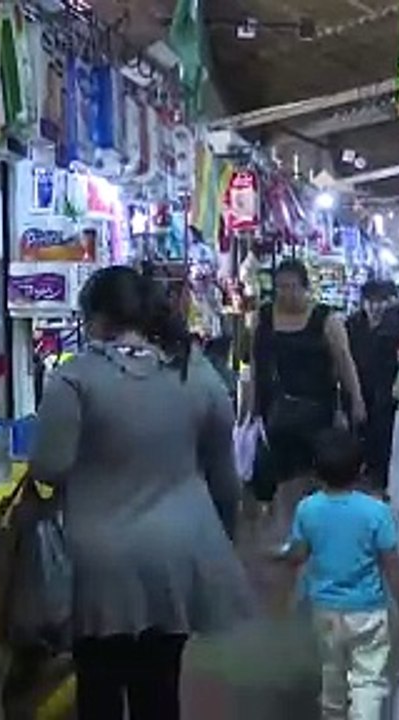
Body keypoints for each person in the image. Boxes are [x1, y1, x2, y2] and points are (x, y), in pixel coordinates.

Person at [28, 266, 253, 720]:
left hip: (101, 564)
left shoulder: (75, 378)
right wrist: (223, 541)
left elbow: (50, 466)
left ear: (96, 318)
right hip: (181, 552)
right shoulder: (197, 372)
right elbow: (225, 478)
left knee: (100, 690)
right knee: (160, 687)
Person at [276, 429, 399, 720]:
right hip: (368, 611)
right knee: (368, 679)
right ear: (361, 469)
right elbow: (392, 566)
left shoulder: (308, 509)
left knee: (332, 672)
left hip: (324, 609)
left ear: (316, 472)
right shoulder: (376, 512)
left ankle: (334, 713)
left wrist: (281, 559)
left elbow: (298, 555)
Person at [247, 259, 366, 514]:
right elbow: (256, 362)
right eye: (280, 287)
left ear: (305, 287)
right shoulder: (263, 318)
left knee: (315, 471)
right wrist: (251, 403)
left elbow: (344, 361)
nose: (286, 293)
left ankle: (312, 522)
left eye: (292, 287)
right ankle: (287, 524)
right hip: (275, 410)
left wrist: (356, 399)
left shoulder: (326, 319)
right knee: (280, 473)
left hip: (317, 408)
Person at [347, 281, 399, 492]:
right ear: (363, 302)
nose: (375, 307)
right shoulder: (352, 323)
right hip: (357, 388)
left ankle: (379, 486)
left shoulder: (394, 325)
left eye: (379, 302)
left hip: (385, 391)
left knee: (382, 438)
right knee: (357, 437)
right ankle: (356, 482)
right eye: (370, 301)